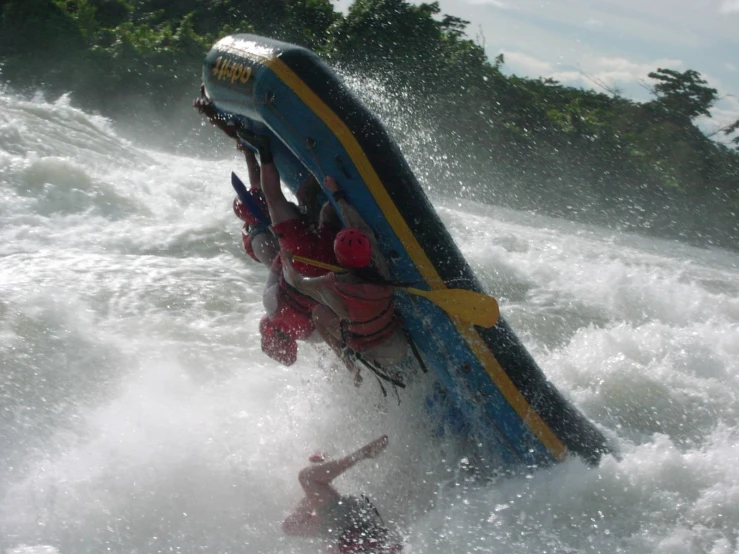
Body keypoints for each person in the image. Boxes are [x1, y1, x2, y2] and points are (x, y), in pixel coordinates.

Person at [281, 176, 410, 386]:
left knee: (318, 313)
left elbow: (297, 282)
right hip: (398, 345)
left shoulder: (331, 285)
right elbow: (358, 226)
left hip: (370, 351)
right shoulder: (380, 267)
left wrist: (287, 260)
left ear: (338, 258)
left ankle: (351, 366)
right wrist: (338, 195)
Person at [282, 435, 402, 553]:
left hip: (340, 529)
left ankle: (319, 472)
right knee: (307, 478)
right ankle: (361, 454)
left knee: (289, 526)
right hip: (349, 525)